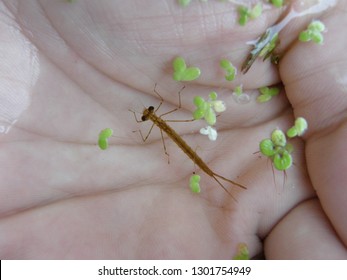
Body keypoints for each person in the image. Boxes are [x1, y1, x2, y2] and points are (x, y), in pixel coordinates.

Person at [0, 0, 346, 259]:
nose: (149, 113)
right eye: (149, 114)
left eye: (149, 113)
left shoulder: (157, 119)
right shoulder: (158, 119)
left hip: (177, 138)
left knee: (183, 149)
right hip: (176, 140)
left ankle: (216, 175)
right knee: (179, 148)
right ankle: (215, 175)